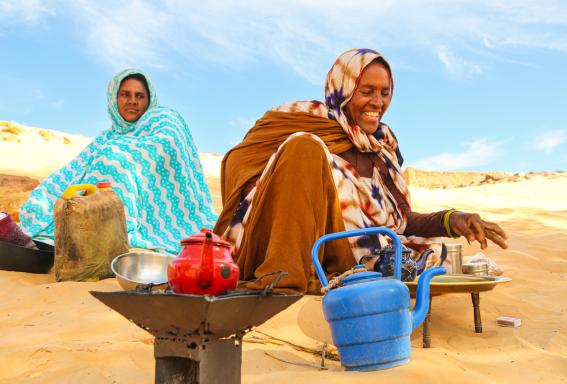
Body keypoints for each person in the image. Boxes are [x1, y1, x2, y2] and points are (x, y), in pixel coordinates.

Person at [214, 48, 508, 294]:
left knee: (428, 250)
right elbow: (246, 173)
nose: (377, 103)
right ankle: (286, 277)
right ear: (342, 89)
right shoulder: (302, 123)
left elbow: (401, 222)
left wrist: (452, 219)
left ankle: (373, 271)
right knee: (305, 147)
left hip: (361, 251)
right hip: (293, 250)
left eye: (385, 93)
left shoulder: (383, 148)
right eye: (366, 91)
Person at [19, 69, 218, 255]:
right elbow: (76, 170)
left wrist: (118, 158)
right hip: (93, 207)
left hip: (158, 215)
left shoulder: (161, 119)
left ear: (149, 101)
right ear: (114, 98)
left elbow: (166, 144)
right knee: (42, 198)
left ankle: (109, 232)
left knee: (111, 160)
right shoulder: (107, 138)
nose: (132, 101)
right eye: (125, 94)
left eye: (139, 96)